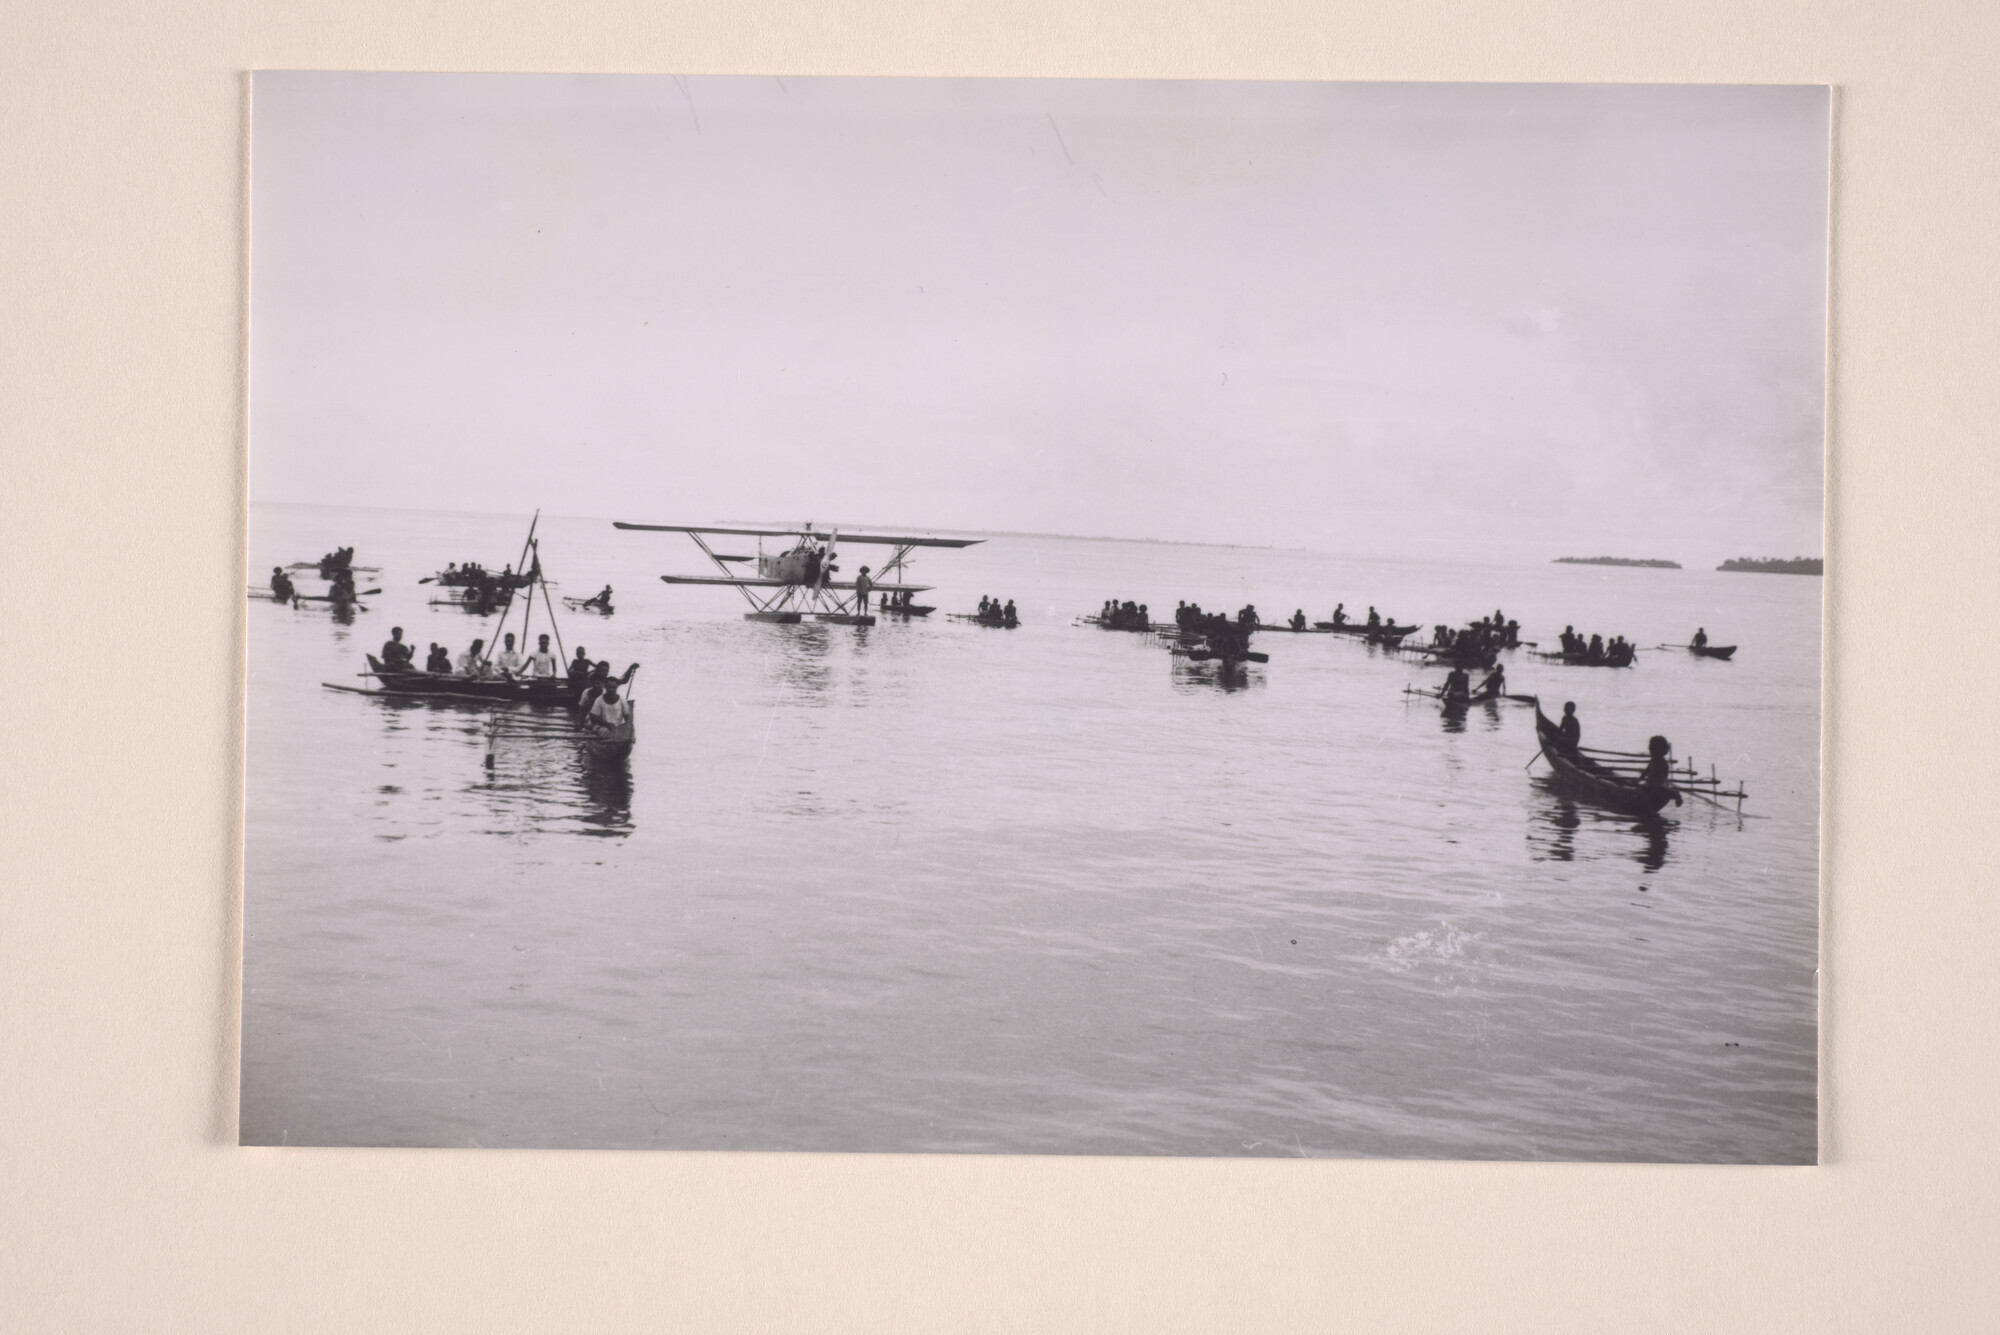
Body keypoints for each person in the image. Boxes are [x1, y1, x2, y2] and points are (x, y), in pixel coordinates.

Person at [1638, 736, 1683, 805]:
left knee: (1662, 789)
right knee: (1639, 789)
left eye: (1651, 749)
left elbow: (1660, 781)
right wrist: (1638, 780)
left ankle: (1677, 796)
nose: (1649, 750)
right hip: (1649, 785)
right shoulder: (1653, 760)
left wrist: (1650, 793)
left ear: (1657, 751)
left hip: (1658, 787)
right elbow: (1646, 771)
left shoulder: (1663, 764)